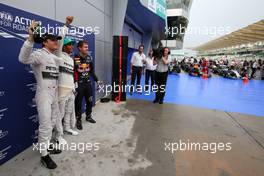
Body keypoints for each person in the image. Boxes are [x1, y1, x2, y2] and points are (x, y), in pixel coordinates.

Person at [19, 21, 63, 169]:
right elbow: (23, 59)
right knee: (45, 124)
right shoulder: (38, 54)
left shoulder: (54, 57)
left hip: (54, 93)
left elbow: (61, 56)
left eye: (57, 40)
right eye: (53, 40)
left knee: (52, 121)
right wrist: (30, 39)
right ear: (45, 42)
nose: (56, 42)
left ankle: (47, 146)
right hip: (44, 94)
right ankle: (44, 155)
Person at [56, 17, 79, 136]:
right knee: (59, 113)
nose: (72, 46)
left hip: (70, 89)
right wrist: (66, 25)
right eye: (70, 44)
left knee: (69, 111)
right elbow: (60, 40)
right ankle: (57, 136)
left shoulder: (71, 59)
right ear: (64, 46)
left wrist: (74, 86)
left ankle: (67, 128)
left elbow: (72, 74)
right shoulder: (59, 55)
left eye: (72, 44)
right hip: (61, 89)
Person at [74, 40, 100, 130]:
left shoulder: (89, 57)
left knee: (89, 101)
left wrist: (97, 80)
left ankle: (88, 116)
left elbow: (91, 71)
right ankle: (78, 120)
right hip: (79, 85)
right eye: (85, 47)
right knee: (78, 103)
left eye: (87, 47)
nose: (87, 48)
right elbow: (74, 73)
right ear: (79, 48)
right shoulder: (75, 58)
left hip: (88, 83)